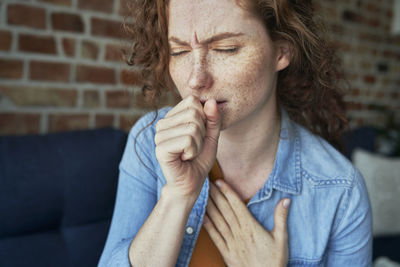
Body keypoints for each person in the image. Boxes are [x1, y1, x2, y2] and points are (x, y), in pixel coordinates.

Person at [99, 0, 372, 266]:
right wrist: (176, 197)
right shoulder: (149, 141)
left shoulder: (341, 191)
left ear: (282, 51)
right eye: (179, 51)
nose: (195, 79)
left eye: (226, 48)